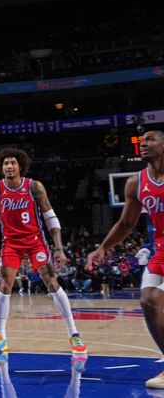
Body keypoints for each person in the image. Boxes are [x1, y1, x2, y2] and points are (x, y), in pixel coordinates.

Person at [0, 148, 87, 356]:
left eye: (13, 162)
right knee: (5, 284)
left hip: (35, 241)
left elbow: (50, 216)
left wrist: (58, 248)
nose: (9, 166)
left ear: (20, 165)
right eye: (5, 163)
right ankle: (0, 336)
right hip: (10, 243)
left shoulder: (34, 186)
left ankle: (74, 334)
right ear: (1, 167)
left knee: (51, 281)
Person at [86, 130, 164, 388]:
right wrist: (102, 248)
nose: (144, 144)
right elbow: (127, 222)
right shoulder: (135, 182)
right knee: (147, 302)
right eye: (142, 142)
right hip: (161, 250)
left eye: (150, 140)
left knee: (154, 298)